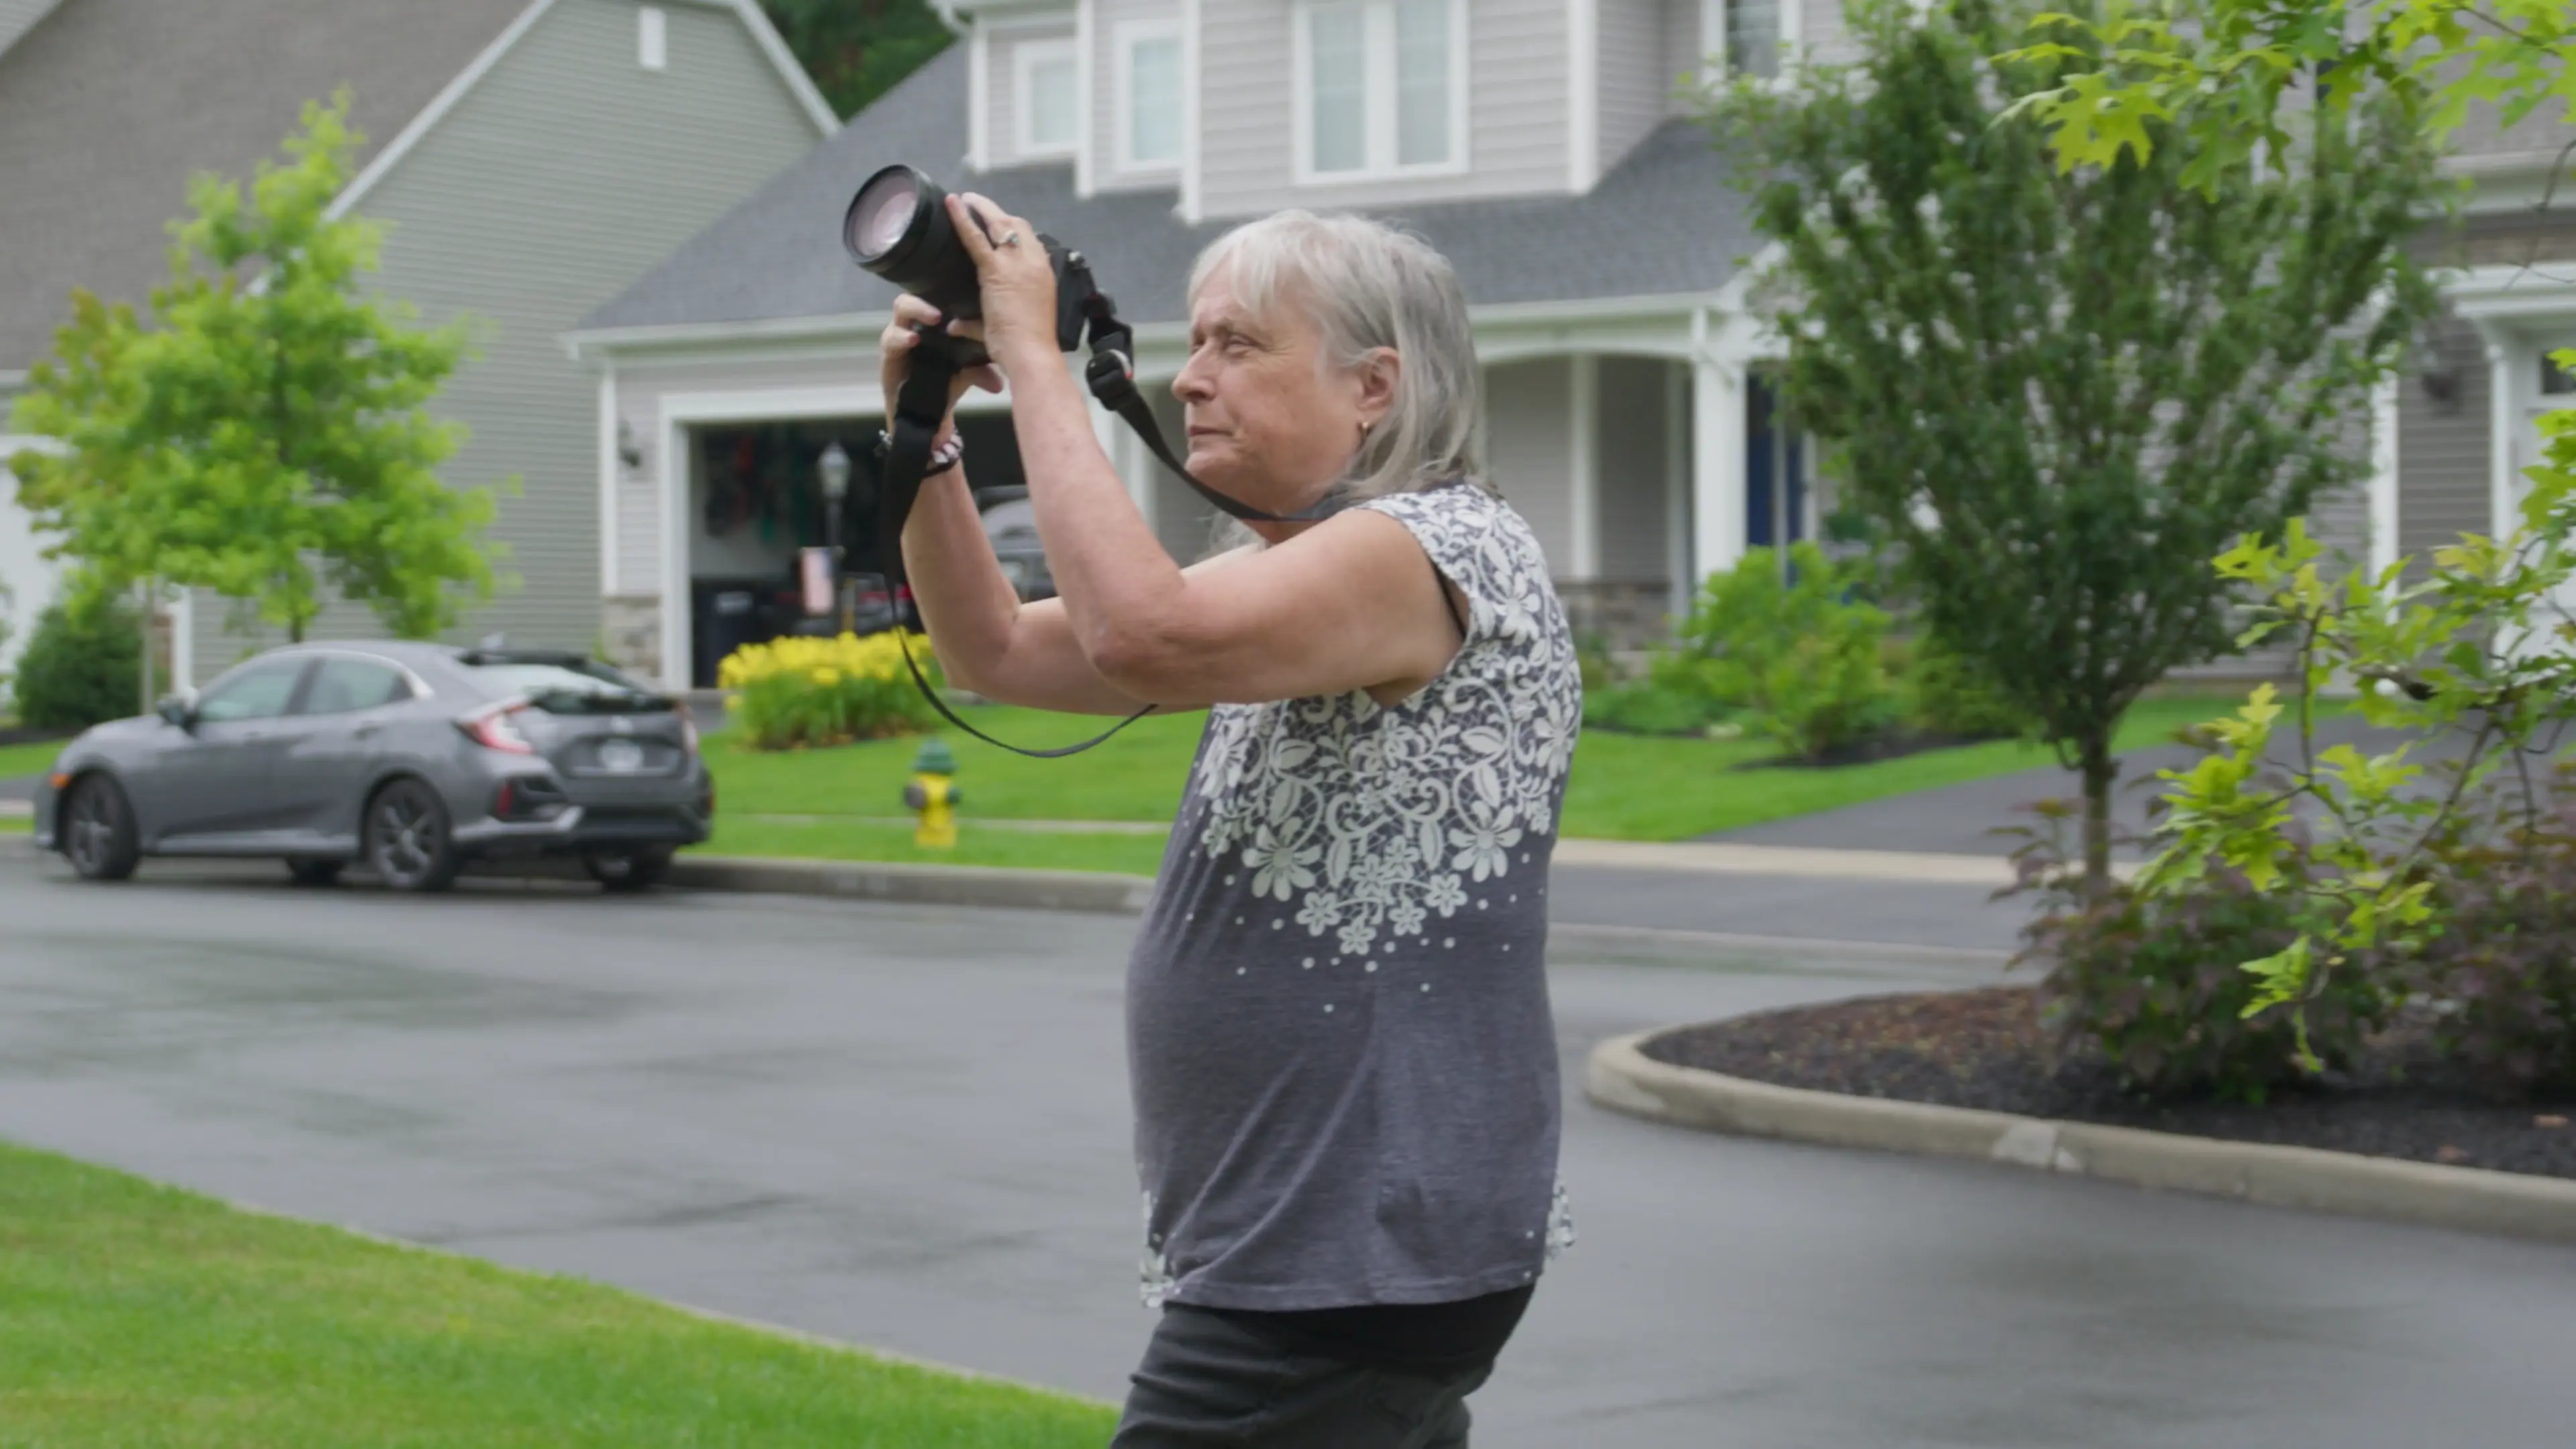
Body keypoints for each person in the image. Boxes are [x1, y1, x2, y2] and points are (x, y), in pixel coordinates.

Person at [879, 194, 1580, 1448]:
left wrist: (1036, 357)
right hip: (1334, 1242)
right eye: (1194, 344)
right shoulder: (1306, 567)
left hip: (1352, 1248)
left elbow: (1142, 632)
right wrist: (926, 431)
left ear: (1375, 384)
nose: (1190, 379)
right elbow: (995, 651)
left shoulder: (1433, 549)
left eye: (1237, 345)